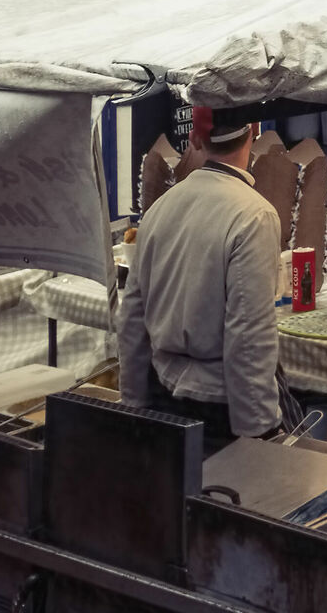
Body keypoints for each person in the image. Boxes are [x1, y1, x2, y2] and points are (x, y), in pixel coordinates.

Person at [117, 115, 283, 455]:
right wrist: (260, 431)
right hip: (220, 410)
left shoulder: (161, 207)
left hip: (163, 394)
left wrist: (133, 404)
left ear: (194, 139)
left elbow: (132, 316)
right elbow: (248, 335)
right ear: (255, 131)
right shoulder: (254, 215)